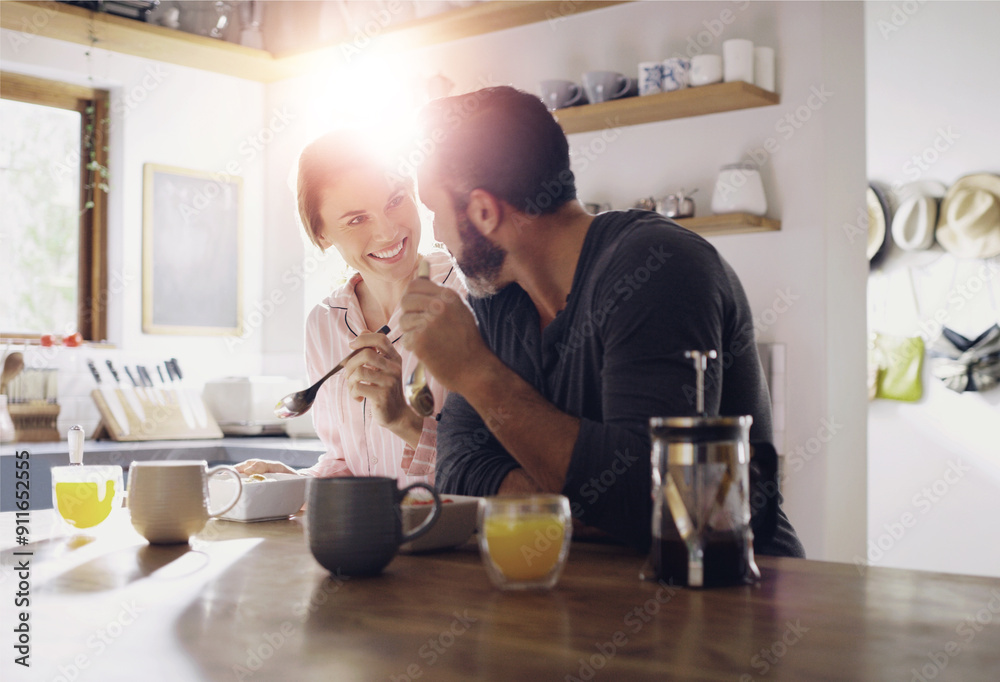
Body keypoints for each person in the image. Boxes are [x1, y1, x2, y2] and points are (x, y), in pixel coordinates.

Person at [399, 86, 804, 556]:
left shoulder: (658, 268)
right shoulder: (495, 299)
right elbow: (457, 471)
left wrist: (475, 372)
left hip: (728, 589)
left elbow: (649, 504)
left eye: (435, 211)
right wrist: (584, 508)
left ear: (484, 212)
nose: (435, 235)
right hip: (581, 588)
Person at [237, 131, 465, 484]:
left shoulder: (469, 295)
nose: (388, 231)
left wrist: (404, 421)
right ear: (322, 234)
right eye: (357, 219)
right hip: (369, 522)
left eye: (395, 200)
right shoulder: (324, 323)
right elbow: (348, 461)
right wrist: (296, 484)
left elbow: (497, 467)